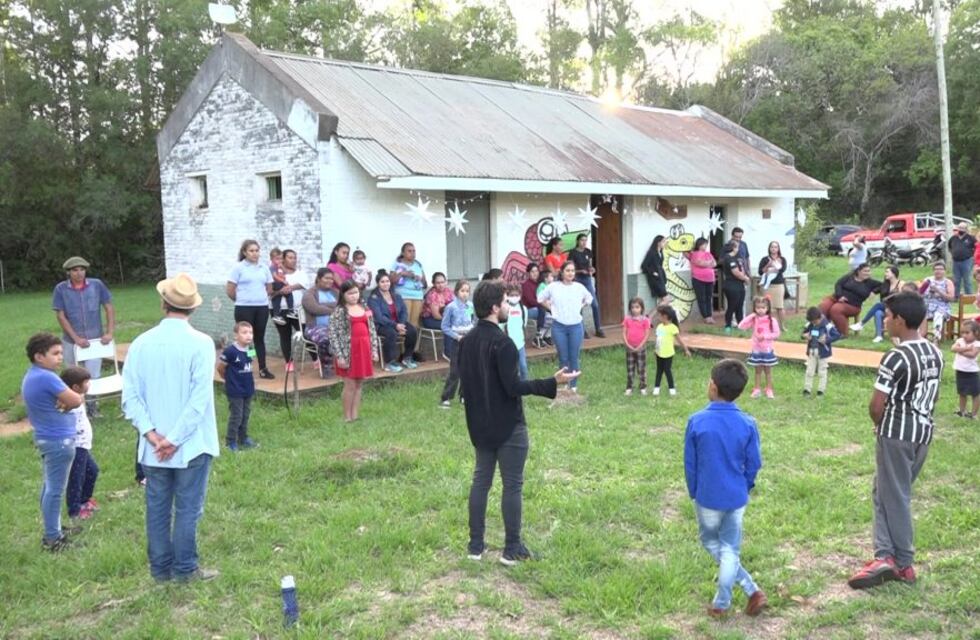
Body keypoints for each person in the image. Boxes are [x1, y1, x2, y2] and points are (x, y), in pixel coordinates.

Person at [457, 280, 578, 565]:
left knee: (481, 481)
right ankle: (512, 549)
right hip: (509, 426)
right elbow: (514, 387)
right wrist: (552, 382)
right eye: (506, 302)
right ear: (494, 307)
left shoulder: (466, 343)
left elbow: (467, 387)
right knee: (512, 485)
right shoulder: (504, 343)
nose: (510, 307)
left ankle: (475, 547)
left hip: (479, 425)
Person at [122, 273, 220, 583]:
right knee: (188, 508)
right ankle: (184, 569)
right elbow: (199, 400)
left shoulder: (141, 343)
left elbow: (130, 398)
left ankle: (162, 570)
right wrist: (172, 439)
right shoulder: (201, 343)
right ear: (193, 308)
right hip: (189, 444)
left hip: (154, 448)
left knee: (158, 509)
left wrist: (152, 435)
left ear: (164, 303)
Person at [847, 292, 942, 590]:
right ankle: (884, 555)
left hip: (897, 434)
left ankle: (903, 563)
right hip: (922, 433)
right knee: (884, 492)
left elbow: (877, 405)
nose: (885, 321)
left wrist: (880, 426)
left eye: (887, 316)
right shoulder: (935, 351)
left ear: (900, 320)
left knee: (896, 496)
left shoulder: (896, 356)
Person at [684, 358, 766, 618]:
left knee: (712, 542)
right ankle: (751, 591)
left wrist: (694, 491)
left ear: (712, 385)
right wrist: (745, 486)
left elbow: (691, 463)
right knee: (729, 547)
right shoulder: (747, 423)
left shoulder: (697, 421)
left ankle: (724, 602)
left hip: (707, 496)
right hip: (736, 496)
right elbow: (754, 463)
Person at [23, 333, 84, 551]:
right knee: (55, 490)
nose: (60, 357)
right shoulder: (47, 377)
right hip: (59, 440)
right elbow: (75, 399)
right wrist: (76, 397)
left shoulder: (33, 375)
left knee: (50, 486)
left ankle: (54, 526)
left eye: (61, 352)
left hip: (46, 437)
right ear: (39, 356)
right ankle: (52, 539)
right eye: (55, 353)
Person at [52, 256, 115, 416]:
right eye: (75, 270)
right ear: (68, 272)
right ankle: (75, 407)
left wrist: (109, 332)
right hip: (71, 341)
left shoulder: (96, 285)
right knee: (72, 376)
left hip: (95, 339)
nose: (79, 273)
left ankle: (93, 408)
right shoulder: (61, 289)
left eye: (82, 269)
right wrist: (76, 338)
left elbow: (108, 307)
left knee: (92, 376)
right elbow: (61, 316)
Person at [328, 280, 381, 423]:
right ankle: (347, 417)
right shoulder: (339, 312)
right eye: (350, 293)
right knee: (350, 384)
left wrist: (374, 350)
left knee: (359, 384)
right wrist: (340, 356)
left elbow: (372, 331)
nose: (353, 296)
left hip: (363, 350)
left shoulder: (364, 308)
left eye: (356, 292)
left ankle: (355, 415)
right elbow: (334, 335)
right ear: (343, 295)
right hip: (348, 352)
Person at [537, 261, 592, 393]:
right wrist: (551, 308)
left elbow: (589, 298)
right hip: (559, 327)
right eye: (567, 270)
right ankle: (564, 384)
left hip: (576, 327)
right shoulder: (553, 287)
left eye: (572, 271)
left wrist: (581, 306)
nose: (570, 273)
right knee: (563, 357)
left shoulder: (579, 287)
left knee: (574, 357)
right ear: (561, 272)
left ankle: (573, 386)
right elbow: (540, 298)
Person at [227, 239, 275, 379]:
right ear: (244, 252)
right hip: (243, 308)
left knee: (258, 338)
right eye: (251, 251)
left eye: (257, 250)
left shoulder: (264, 267)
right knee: (245, 338)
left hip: (261, 307)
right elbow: (230, 289)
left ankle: (262, 368)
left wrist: (259, 298)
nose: (255, 254)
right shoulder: (239, 268)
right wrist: (242, 299)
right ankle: (242, 366)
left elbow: (269, 287)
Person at [61, 366, 100, 521]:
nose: (89, 384)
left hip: (83, 445)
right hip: (75, 446)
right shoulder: (68, 402)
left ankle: (85, 500)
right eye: (86, 382)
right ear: (76, 387)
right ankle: (75, 510)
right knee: (76, 478)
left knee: (92, 471)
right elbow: (61, 411)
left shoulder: (78, 397)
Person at [367, 270, 419, 373]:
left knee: (412, 330)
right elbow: (379, 317)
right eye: (382, 282)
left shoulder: (396, 296)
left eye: (387, 281)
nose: (386, 284)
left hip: (398, 323)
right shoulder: (373, 298)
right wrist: (396, 326)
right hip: (382, 325)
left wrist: (402, 324)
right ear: (378, 284)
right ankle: (390, 363)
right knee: (391, 333)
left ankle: (407, 357)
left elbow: (404, 311)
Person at [217, 321, 257, 451]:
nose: (248, 335)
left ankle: (243, 438)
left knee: (246, 414)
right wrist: (228, 379)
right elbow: (221, 368)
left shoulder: (251, 349)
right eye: (244, 332)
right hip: (235, 390)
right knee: (236, 415)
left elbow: (250, 363)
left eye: (250, 332)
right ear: (236, 335)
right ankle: (230, 441)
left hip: (248, 389)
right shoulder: (230, 352)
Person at [819, 264, 881, 336]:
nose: (867, 273)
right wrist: (840, 296)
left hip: (852, 305)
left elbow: (883, 286)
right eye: (865, 271)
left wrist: (874, 291)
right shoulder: (850, 276)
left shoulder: (871, 282)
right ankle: (819, 329)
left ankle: (842, 333)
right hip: (836, 298)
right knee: (823, 306)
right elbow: (838, 284)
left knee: (835, 309)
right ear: (859, 271)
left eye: (869, 271)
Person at [440, 280, 475, 407]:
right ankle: (446, 397)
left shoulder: (470, 306)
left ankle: (464, 396)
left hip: (469, 340)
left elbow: (473, 321)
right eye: (462, 291)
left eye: (467, 291)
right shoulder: (451, 307)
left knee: (468, 369)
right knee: (455, 370)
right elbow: (445, 326)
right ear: (456, 292)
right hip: (457, 341)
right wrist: (456, 336)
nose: (465, 294)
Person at [271, 249, 308, 372]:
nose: (293, 260)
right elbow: (269, 290)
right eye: (290, 257)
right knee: (284, 335)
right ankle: (289, 362)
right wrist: (280, 291)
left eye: (295, 257)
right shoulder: (275, 273)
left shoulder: (300, 273)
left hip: (297, 310)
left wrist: (290, 287)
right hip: (279, 310)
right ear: (283, 259)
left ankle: (315, 360)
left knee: (305, 333)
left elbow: (304, 284)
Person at [738, 296, 781, 399]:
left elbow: (777, 334)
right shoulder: (754, 319)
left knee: (768, 371)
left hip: (767, 350)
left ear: (767, 308)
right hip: (757, 350)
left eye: (763, 307)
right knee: (757, 371)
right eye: (758, 308)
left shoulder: (772, 320)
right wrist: (751, 316)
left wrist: (765, 337)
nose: (760, 310)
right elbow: (741, 326)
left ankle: (769, 389)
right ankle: (757, 389)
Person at [850, 266, 905, 343]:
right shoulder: (885, 284)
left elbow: (904, 297)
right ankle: (879, 336)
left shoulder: (901, 283)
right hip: (886, 309)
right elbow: (876, 290)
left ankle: (861, 323)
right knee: (878, 313)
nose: (885, 274)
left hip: (897, 309)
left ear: (894, 273)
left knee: (878, 305)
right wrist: (871, 293)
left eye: (887, 272)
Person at [302, 268, 338, 376]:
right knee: (325, 338)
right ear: (318, 279)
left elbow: (342, 305)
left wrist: (323, 305)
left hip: (336, 326)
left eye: (332, 279)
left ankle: (349, 366)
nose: (330, 281)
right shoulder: (309, 294)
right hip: (315, 327)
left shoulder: (336, 293)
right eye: (327, 278)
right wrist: (333, 308)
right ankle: (327, 367)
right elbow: (314, 309)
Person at [568, 233, 605, 338]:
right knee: (580, 305)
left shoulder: (588, 251)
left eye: (585, 240)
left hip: (587, 279)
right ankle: (582, 330)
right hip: (577, 279)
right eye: (582, 240)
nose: (584, 243)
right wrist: (580, 271)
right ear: (577, 241)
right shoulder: (573, 253)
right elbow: (570, 267)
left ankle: (598, 328)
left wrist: (591, 269)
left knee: (595, 304)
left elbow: (590, 264)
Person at [800, 307, 841, 396]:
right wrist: (805, 336)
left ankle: (821, 390)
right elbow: (802, 333)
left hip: (822, 352)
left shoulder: (827, 325)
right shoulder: (810, 324)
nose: (814, 323)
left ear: (819, 318)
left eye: (815, 322)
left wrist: (827, 340)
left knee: (822, 371)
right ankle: (807, 389)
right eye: (812, 322)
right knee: (809, 371)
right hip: (812, 351)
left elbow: (837, 335)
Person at [653, 304, 691, 396]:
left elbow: (679, 340)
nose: (658, 317)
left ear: (665, 316)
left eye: (659, 315)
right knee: (659, 370)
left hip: (669, 353)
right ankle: (656, 388)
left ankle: (672, 388)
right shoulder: (659, 327)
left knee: (667, 370)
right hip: (659, 353)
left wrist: (686, 349)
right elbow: (658, 339)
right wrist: (656, 350)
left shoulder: (673, 328)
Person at [390, 243, 427, 328]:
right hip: (403, 295)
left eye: (414, 251)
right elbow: (391, 280)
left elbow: (425, 284)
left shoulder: (418, 265)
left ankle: (413, 341)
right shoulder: (397, 264)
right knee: (405, 322)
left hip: (417, 296)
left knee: (414, 324)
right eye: (409, 251)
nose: (412, 253)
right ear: (403, 253)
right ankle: (404, 341)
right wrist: (403, 273)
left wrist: (419, 279)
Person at [919, 262, 955, 342]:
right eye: (936, 269)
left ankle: (936, 339)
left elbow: (951, 298)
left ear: (944, 271)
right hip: (927, 306)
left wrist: (938, 291)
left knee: (938, 315)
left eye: (940, 269)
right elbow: (919, 293)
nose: (938, 271)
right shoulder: (927, 280)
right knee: (919, 313)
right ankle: (921, 337)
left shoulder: (948, 282)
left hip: (942, 307)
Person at [622, 297, 651, 396]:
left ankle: (643, 386)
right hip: (629, 348)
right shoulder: (627, 319)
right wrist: (627, 344)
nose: (635, 309)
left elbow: (647, 334)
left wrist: (640, 345)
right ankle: (629, 386)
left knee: (641, 368)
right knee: (630, 368)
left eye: (637, 307)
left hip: (641, 348)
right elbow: (624, 332)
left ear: (642, 308)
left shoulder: (645, 320)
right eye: (632, 307)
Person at [719, 241, 750, 333]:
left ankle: (740, 324)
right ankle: (728, 325)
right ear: (733, 248)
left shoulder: (737, 258)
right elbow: (735, 272)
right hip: (731, 284)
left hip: (739, 284)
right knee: (732, 305)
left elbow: (742, 268)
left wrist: (744, 277)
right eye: (737, 247)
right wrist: (745, 278)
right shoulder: (728, 258)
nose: (739, 249)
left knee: (739, 306)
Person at [951, 320, 980, 419]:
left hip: (972, 373)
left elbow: (972, 355)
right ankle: (962, 411)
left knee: (975, 393)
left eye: (967, 333)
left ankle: (974, 414)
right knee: (962, 392)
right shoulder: (960, 341)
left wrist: (960, 351)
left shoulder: (977, 344)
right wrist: (966, 349)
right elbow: (953, 348)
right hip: (960, 371)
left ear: (976, 333)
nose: (964, 335)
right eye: (962, 332)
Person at [758, 241, 787, 326]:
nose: (773, 249)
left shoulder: (782, 259)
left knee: (780, 306)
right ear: (769, 248)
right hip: (767, 286)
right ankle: (769, 325)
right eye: (772, 247)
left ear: (778, 249)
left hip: (778, 285)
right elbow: (760, 272)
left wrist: (772, 269)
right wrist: (768, 265)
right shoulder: (765, 259)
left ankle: (782, 325)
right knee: (768, 306)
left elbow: (782, 270)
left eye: (775, 247)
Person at [504, 283, 529, 380]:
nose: (514, 297)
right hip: (508, 343)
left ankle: (524, 386)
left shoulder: (523, 309)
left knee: (523, 367)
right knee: (512, 367)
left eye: (516, 295)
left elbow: (524, 323)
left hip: (520, 343)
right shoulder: (505, 308)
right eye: (511, 295)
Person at [689, 238, 717, 323]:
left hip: (710, 279)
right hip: (698, 279)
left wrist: (707, 263)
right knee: (702, 298)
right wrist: (708, 263)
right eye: (704, 244)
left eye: (706, 244)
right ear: (699, 245)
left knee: (709, 298)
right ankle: (705, 316)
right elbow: (699, 263)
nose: (705, 246)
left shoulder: (708, 254)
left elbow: (714, 263)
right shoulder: (695, 254)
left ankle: (709, 315)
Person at [641, 235, 671, 306]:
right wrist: (653, 272)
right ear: (658, 243)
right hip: (655, 279)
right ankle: (649, 316)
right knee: (666, 299)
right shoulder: (651, 253)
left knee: (662, 300)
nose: (665, 243)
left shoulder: (660, 252)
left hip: (661, 278)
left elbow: (660, 265)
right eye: (663, 242)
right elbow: (644, 266)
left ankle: (654, 316)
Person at [948, 221, 975, 297]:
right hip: (955, 262)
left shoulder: (971, 238)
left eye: (963, 228)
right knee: (956, 280)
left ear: (966, 229)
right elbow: (950, 247)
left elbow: (976, 247)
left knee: (967, 280)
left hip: (967, 261)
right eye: (959, 227)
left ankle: (969, 297)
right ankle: (956, 296)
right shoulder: (953, 238)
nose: (961, 229)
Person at [269, 247, 294, 325]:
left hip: (281, 283)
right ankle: (276, 314)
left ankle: (291, 310)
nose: (279, 261)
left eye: (281, 259)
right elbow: (274, 276)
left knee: (289, 294)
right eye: (277, 259)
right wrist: (283, 281)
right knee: (277, 299)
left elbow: (286, 272)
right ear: (272, 259)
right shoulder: (272, 267)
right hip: (275, 284)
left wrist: (282, 266)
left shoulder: (279, 266)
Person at [521, 263, 545, 341]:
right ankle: (538, 334)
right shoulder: (526, 285)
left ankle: (546, 336)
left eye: (536, 271)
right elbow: (531, 301)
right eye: (532, 272)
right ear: (528, 273)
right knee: (542, 311)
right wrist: (544, 304)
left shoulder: (541, 284)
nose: (535, 273)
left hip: (540, 307)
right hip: (529, 310)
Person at [534, 270, 556, 347]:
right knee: (548, 320)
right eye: (551, 276)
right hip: (543, 307)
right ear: (546, 278)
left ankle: (547, 336)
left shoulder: (552, 286)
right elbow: (540, 298)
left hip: (551, 307)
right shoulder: (542, 286)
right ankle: (539, 337)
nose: (553, 278)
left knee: (554, 320)